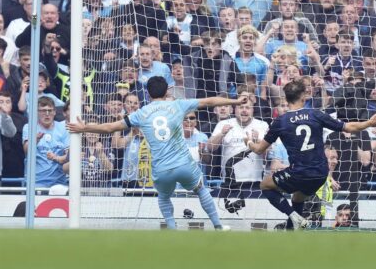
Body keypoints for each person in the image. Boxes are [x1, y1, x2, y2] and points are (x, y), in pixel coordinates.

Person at [67, 76, 246, 230]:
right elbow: (209, 101)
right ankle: (218, 226)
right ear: (167, 90)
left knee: (163, 197)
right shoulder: (178, 105)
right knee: (200, 189)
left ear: (148, 93)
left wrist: (85, 127)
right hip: (183, 164)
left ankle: (172, 229)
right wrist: (235, 102)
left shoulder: (141, 113)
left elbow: (109, 128)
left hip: (162, 169)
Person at [245, 79, 376, 230]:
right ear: (303, 97)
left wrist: (248, 142)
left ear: (286, 98)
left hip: (299, 172)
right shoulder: (316, 114)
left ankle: (293, 216)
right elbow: (348, 127)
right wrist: (369, 123)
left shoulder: (281, 121)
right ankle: (292, 232)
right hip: (320, 174)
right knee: (298, 197)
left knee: (265, 185)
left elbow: (259, 150)